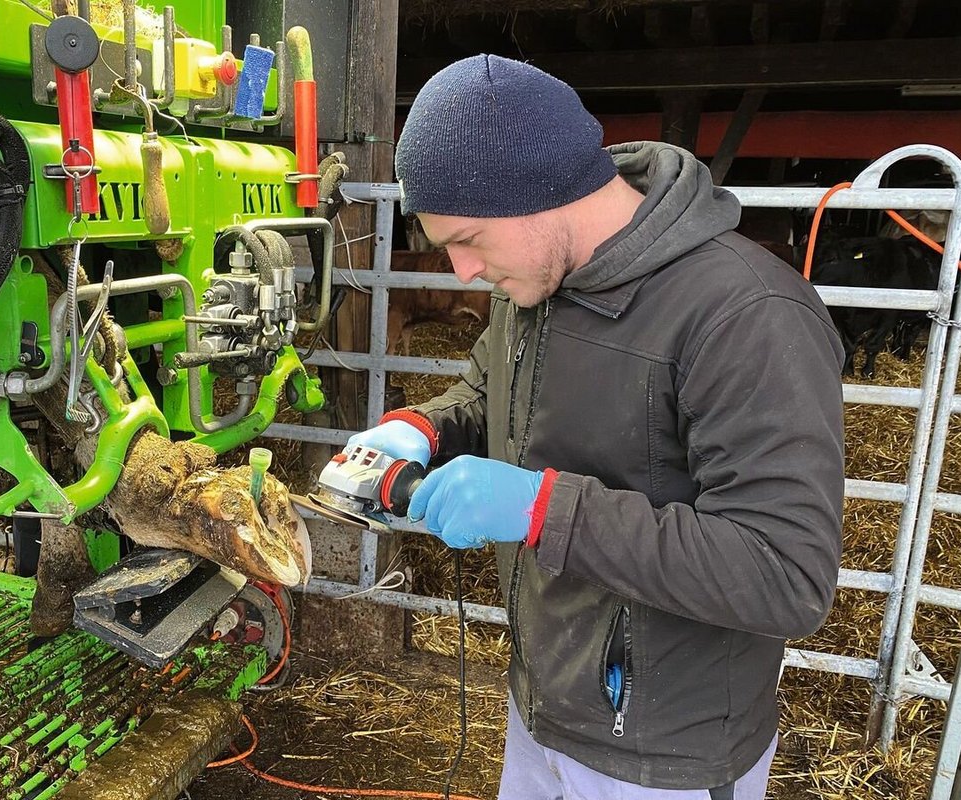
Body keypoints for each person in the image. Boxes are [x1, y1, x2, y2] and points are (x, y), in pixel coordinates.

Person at [349, 55, 845, 799]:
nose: (458, 272)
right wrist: (427, 426)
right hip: (544, 703)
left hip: (662, 753)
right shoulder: (541, 278)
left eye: (470, 240)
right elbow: (490, 390)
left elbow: (785, 573)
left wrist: (544, 509)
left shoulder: (746, 316)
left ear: (542, 196)